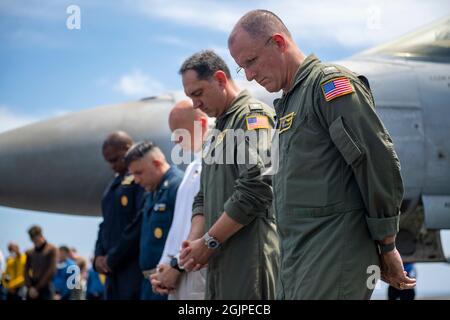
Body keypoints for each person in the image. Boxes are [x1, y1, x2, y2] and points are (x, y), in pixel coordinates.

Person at [228, 9, 416, 299]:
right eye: (243, 68)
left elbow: (375, 160)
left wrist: (387, 243)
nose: (250, 76)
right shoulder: (291, 104)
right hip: (297, 260)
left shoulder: (327, 86)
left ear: (278, 42)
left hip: (333, 256)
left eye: (251, 62)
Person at [178, 50, 280, 299]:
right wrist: (193, 245)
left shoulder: (251, 117)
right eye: (190, 98)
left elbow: (257, 186)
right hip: (218, 260)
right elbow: (202, 197)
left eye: (198, 94)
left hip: (249, 261)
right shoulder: (215, 134)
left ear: (221, 79)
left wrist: (209, 242)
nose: (195, 105)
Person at [150, 100, 209, 299]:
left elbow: (207, 220)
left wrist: (177, 265)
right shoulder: (192, 168)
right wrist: (163, 266)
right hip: (178, 272)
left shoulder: (214, 165)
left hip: (193, 270)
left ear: (201, 125)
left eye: (178, 133)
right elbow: (178, 227)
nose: (175, 141)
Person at [122, 141, 183, 300]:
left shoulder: (178, 187)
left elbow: (187, 234)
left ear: (157, 163)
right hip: (151, 284)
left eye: (139, 173)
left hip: (171, 282)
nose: (135, 180)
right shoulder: (152, 193)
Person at [94, 131, 145, 300]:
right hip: (112, 272)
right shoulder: (112, 186)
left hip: (132, 268)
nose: (112, 165)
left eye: (115, 159)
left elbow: (138, 223)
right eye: (108, 161)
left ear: (128, 148)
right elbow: (105, 224)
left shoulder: (139, 181)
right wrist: (98, 256)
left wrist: (113, 257)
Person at [24, 225, 57, 300]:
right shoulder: (30, 252)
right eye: (32, 240)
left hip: (46, 287)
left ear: (41, 235)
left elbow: (51, 270)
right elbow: (26, 271)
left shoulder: (52, 249)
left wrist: (37, 288)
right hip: (32, 288)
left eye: (36, 239)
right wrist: (30, 287)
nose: (34, 242)